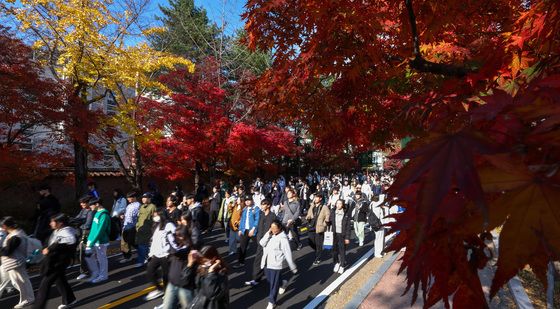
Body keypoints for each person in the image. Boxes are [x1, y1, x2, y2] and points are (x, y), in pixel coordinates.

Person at [34, 214, 78, 309]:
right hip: (54, 261)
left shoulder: (67, 231)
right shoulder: (58, 230)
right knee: (60, 280)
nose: (50, 223)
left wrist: (50, 248)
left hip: (58, 262)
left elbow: (71, 240)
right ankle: (70, 299)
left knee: (44, 286)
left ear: (60, 223)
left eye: (52, 221)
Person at [259, 220, 297, 309]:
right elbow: (261, 243)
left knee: (273, 284)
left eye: (274, 228)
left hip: (276, 264)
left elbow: (288, 253)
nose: (273, 230)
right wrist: (268, 233)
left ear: (279, 228)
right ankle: (282, 282)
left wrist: (292, 266)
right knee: (270, 280)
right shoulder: (270, 235)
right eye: (271, 228)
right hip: (266, 263)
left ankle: (271, 302)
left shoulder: (283, 238)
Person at [0, 217, 35, 308]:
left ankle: (27, 299)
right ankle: (28, 298)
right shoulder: (16, 233)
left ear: (4, 226)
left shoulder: (15, 236)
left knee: (21, 282)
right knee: (19, 282)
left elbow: (7, 251)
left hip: (15, 262)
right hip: (15, 262)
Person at [159, 226, 195, 309]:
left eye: (178, 235)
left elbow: (176, 252)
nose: (176, 237)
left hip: (184, 286)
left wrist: (169, 238)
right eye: (175, 235)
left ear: (184, 237)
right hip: (172, 284)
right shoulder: (178, 245)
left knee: (188, 307)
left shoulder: (189, 249)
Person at [145, 210, 176, 301]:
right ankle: (158, 289)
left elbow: (175, 238)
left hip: (166, 255)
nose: (154, 217)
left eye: (156, 215)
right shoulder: (156, 225)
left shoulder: (169, 225)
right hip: (156, 254)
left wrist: (171, 252)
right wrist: (151, 254)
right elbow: (154, 241)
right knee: (150, 271)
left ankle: (167, 294)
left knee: (166, 276)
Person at [245, 199, 276, 287]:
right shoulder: (261, 215)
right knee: (258, 260)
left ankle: (278, 280)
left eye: (264, 204)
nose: (262, 206)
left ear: (269, 205)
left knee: (269, 263)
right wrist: (254, 230)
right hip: (261, 242)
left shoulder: (273, 216)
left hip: (269, 242)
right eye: (261, 204)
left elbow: (275, 229)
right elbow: (258, 226)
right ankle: (256, 279)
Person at [85, 198, 111, 283]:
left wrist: (91, 242)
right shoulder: (97, 213)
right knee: (88, 256)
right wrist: (89, 240)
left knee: (101, 258)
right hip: (94, 240)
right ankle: (96, 273)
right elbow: (93, 229)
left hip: (101, 241)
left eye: (91, 205)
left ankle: (103, 276)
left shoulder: (104, 215)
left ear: (97, 204)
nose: (90, 207)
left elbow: (100, 230)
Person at [234, 195, 260, 269]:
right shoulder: (244, 209)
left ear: (252, 200)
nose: (247, 201)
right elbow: (242, 220)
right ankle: (240, 262)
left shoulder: (256, 209)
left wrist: (253, 229)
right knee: (242, 247)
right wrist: (240, 229)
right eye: (246, 200)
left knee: (260, 245)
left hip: (253, 231)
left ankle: (265, 261)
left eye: (249, 200)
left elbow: (257, 219)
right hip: (244, 230)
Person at [327, 199, 352, 274]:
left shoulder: (346, 213)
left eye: (340, 203)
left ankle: (342, 265)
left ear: (343, 205)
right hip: (334, 234)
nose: (338, 205)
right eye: (337, 203)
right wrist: (327, 221)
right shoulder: (333, 211)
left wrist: (347, 237)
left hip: (342, 234)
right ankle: (336, 263)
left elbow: (348, 227)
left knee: (342, 250)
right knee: (334, 251)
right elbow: (330, 222)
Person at [73, 196, 94, 281]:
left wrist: (78, 225)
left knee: (82, 252)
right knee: (79, 251)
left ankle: (84, 271)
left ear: (89, 202)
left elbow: (88, 225)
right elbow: (77, 218)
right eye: (81, 203)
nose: (81, 204)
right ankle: (89, 268)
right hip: (81, 234)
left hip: (86, 234)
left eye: (84, 203)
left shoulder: (91, 212)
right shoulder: (83, 210)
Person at [306, 194, 330, 265]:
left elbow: (328, 215)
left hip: (319, 227)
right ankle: (318, 250)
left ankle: (318, 258)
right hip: (311, 226)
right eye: (315, 197)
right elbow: (309, 213)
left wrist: (324, 224)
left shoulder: (324, 207)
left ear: (320, 198)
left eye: (317, 197)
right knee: (310, 241)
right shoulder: (312, 206)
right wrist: (308, 217)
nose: (315, 199)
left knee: (319, 244)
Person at [136, 193, 157, 267]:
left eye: (145, 197)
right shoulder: (141, 207)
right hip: (140, 229)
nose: (143, 199)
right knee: (141, 245)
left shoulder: (152, 207)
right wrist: (137, 226)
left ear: (149, 199)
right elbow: (139, 218)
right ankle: (146, 259)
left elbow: (155, 218)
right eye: (142, 197)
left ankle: (142, 261)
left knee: (144, 245)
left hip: (148, 229)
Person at [120, 191, 140, 263]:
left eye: (129, 197)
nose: (128, 199)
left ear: (134, 197)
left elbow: (139, 216)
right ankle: (127, 257)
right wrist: (123, 216)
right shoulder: (129, 206)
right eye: (127, 197)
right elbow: (126, 215)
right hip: (126, 225)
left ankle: (144, 252)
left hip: (133, 225)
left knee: (132, 241)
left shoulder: (138, 205)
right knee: (124, 242)